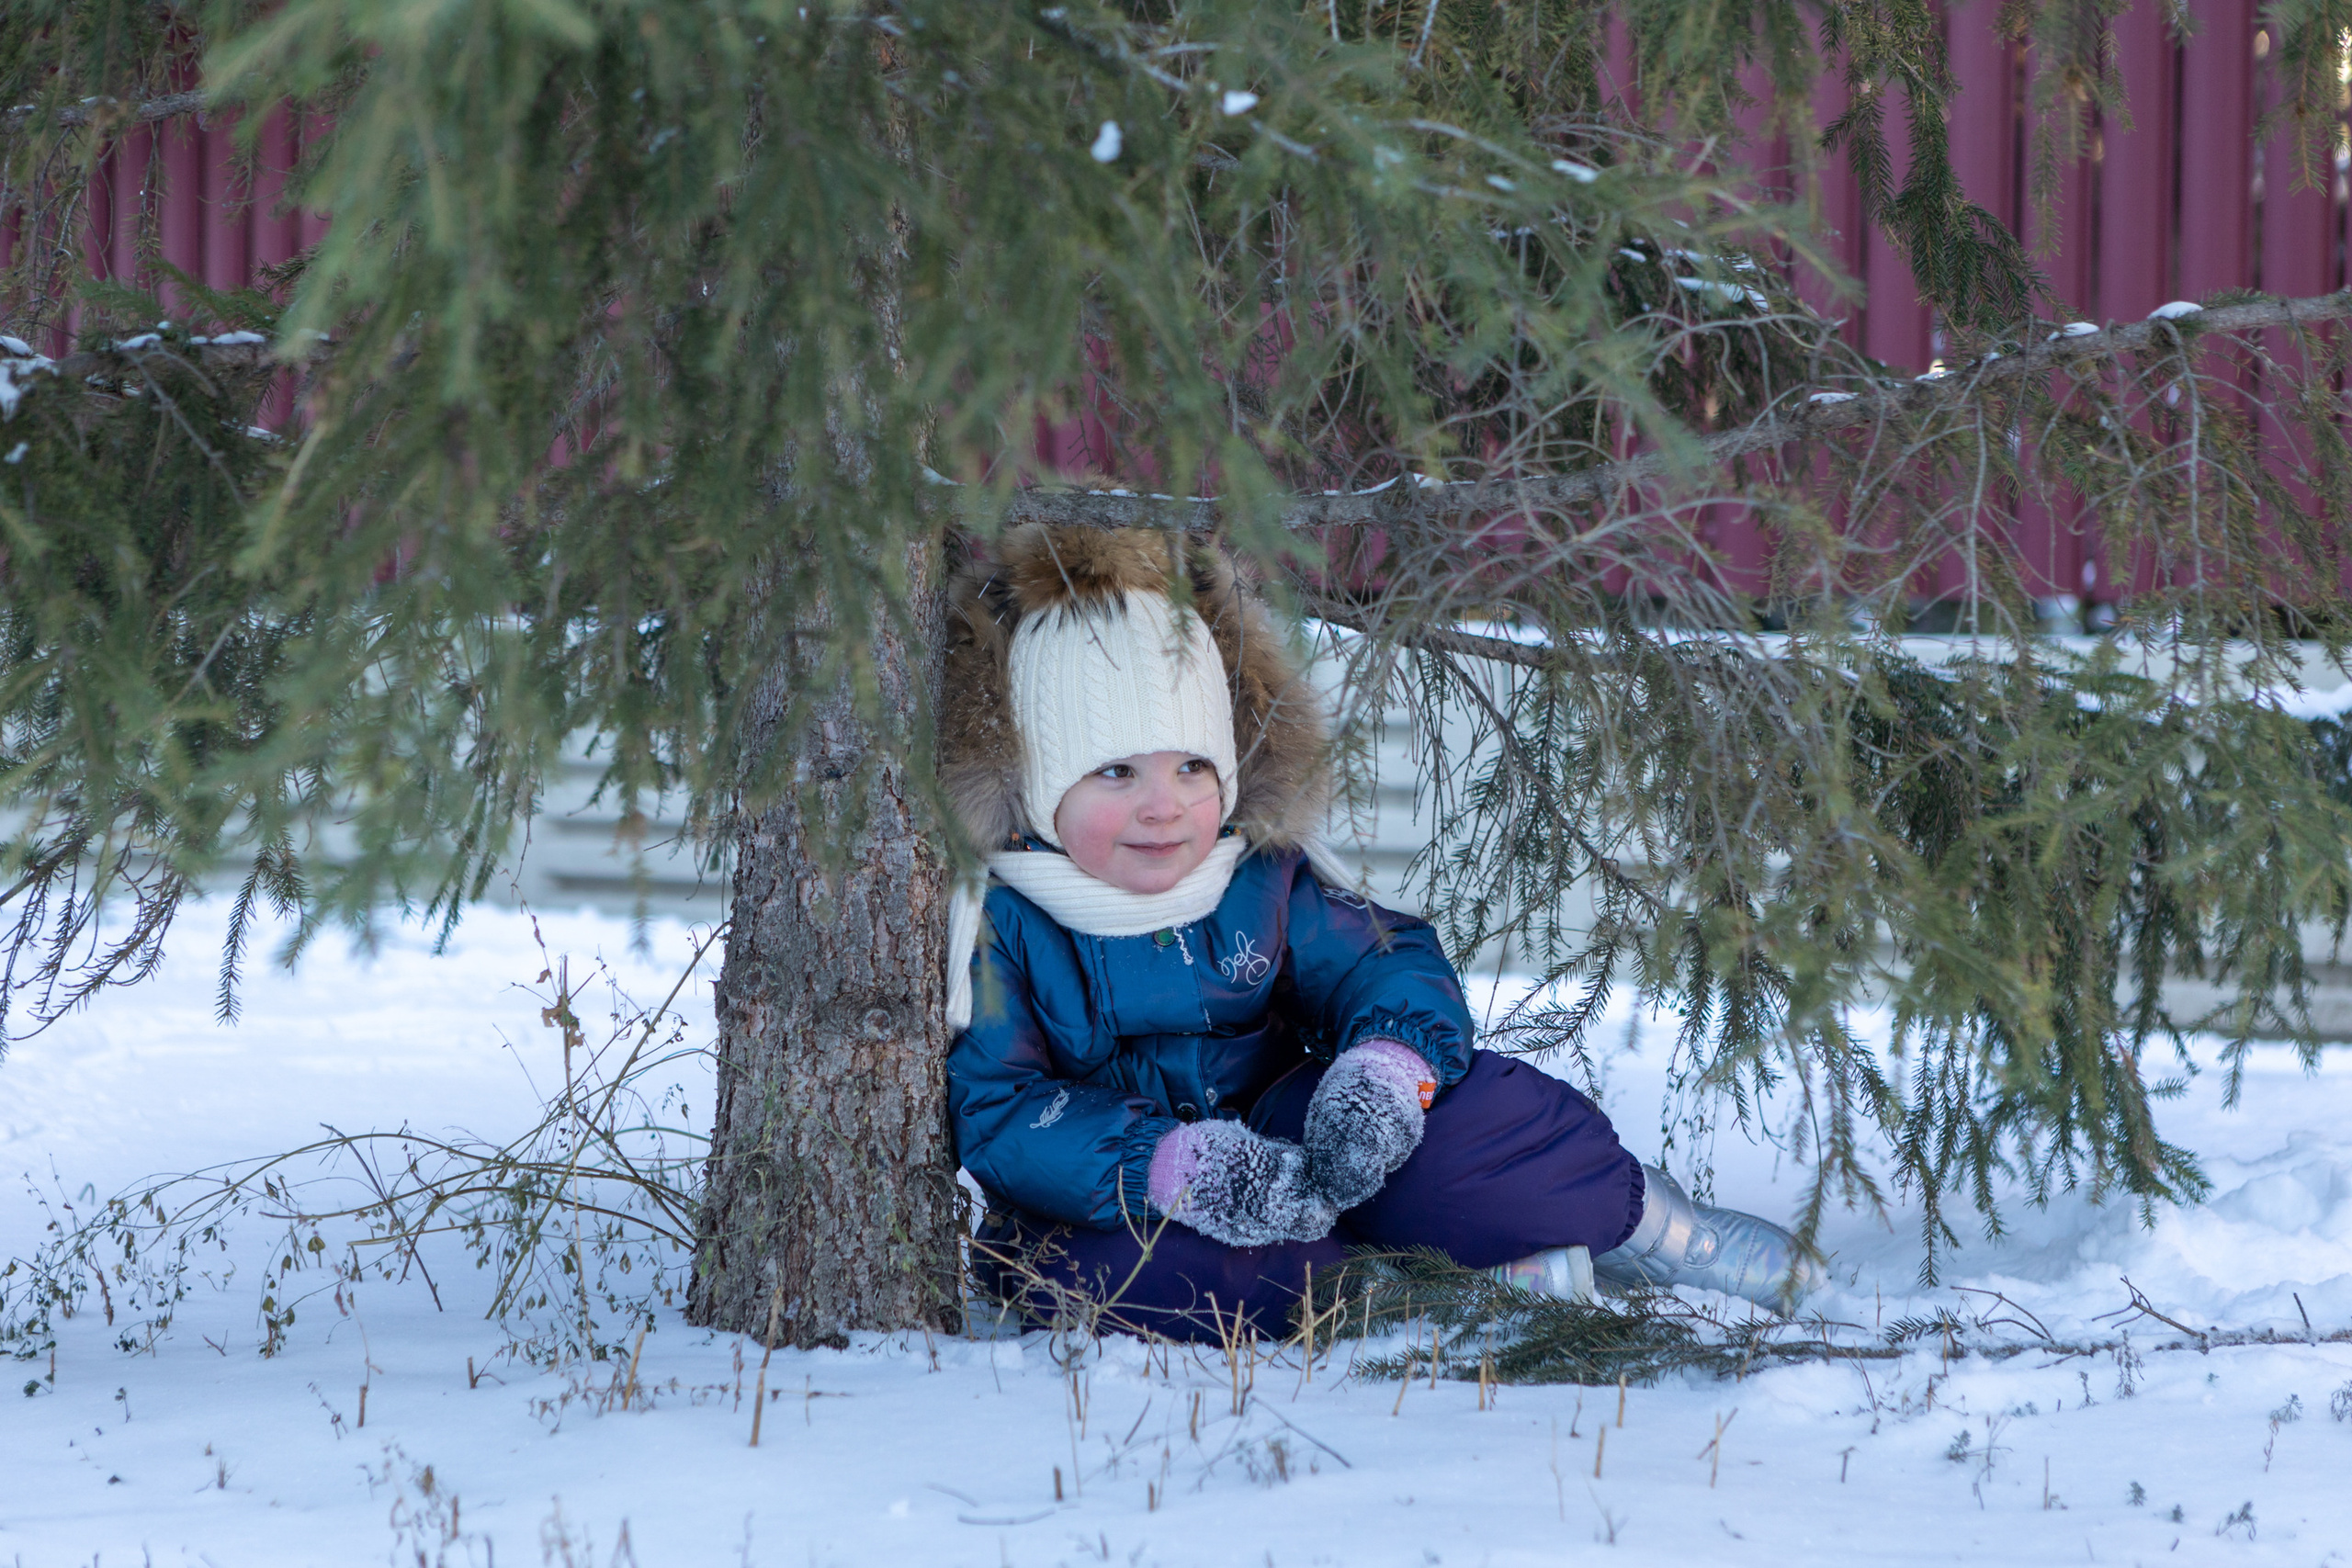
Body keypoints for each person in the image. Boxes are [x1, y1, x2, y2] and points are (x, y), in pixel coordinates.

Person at [940, 525, 1819, 1341]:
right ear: (1042, 782)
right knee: (1143, 1274)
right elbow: (1002, 1107)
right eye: (1118, 771)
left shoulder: (1257, 871)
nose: (1164, 805)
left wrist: (1383, 1073)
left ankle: (1664, 1232)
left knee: (1491, 1124)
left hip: (1296, 1128)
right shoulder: (1004, 918)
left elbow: (1383, 961)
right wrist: (1172, 1167)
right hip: (1124, 1195)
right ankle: (1416, 1294)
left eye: (1193, 765)